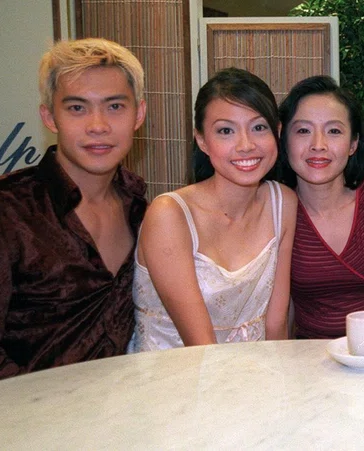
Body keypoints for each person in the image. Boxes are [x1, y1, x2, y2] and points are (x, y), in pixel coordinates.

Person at [0, 38, 148, 392]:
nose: (98, 125)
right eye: (77, 108)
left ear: (139, 114)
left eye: (115, 106)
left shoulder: (143, 211)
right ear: (48, 116)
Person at [127, 68, 296, 351]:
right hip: (173, 381)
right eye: (226, 131)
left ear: (277, 132)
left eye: (258, 127)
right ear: (202, 140)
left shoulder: (283, 203)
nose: (246, 145)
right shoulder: (169, 215)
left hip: (257, 376)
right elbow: (201, 347)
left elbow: (275, 325)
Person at [276, 75, 364, 339]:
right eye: (303, 130)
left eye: (334, 131)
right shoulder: (277, 208)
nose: (318, 145)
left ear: (353, 144)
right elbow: (282, 316)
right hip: (305, 363)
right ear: (284, 139)